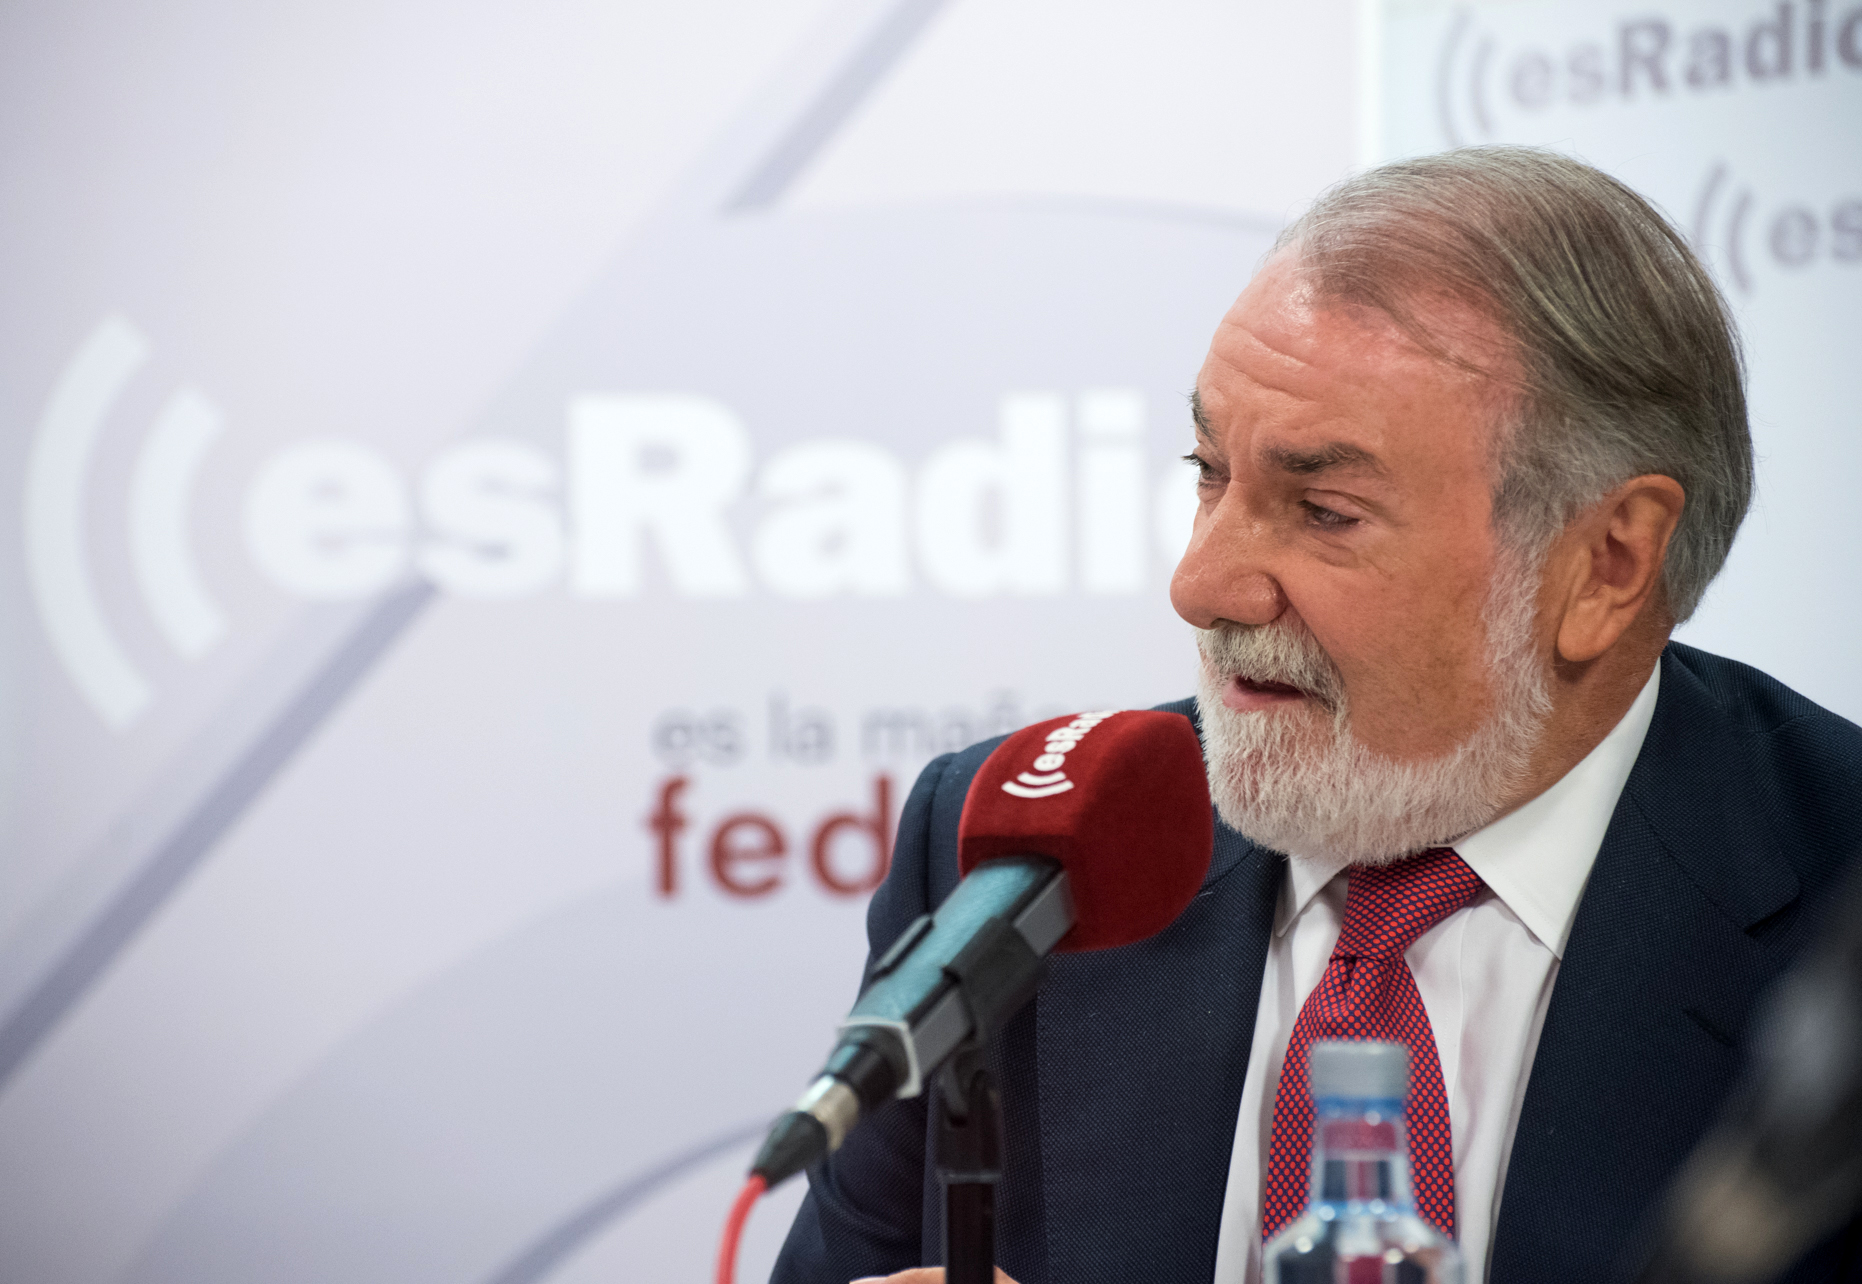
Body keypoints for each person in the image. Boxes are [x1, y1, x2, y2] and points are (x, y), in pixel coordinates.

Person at [770, 147, 1862, 1284]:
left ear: (1607, 563)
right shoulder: (1017, 854)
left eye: (1325, 510)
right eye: (1207, 471)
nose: (1200, 584)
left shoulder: (1838, 892)